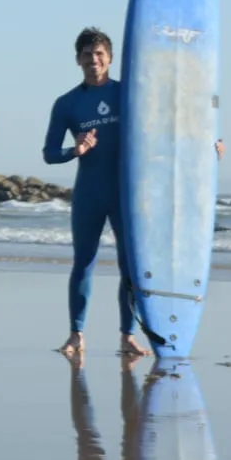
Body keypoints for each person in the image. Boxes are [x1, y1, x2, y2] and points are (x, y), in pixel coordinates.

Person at [41, 28, 150, 359]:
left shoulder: (129, 94)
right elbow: (49, 153)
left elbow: (166, 126)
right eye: (87, 54)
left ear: (111, 57)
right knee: (83, 263)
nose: (94, 59)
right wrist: (75, 150)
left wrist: (208, 142)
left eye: (100, 53)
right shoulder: (67, 104)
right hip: (89, 193)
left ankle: (127, 335)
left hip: (124, 195)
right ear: (78, 60)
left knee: (129, 267)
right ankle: (76, 335)